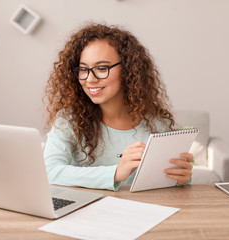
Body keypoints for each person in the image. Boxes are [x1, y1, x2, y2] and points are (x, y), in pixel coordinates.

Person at [43, 23, 193, 191]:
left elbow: (167, 185)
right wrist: (115, 173)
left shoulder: (157, 123)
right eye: (83, 69)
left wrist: (182, 178)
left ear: (128, 70)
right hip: (85, 212)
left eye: (101, 68)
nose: (90, 79)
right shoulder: (69, 119)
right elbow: (49, 171)